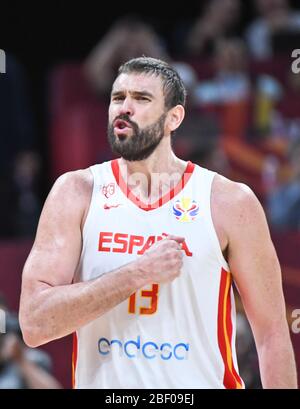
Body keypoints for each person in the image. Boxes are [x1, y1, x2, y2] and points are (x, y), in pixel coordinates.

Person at [19, 57, 297, 389]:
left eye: (141, 98)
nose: (125, 108)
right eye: (118, 98)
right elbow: (35, 323)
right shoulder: (76, 192)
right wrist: (138, 273)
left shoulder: (229, 202)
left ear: (173, 118)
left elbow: (272, 333)